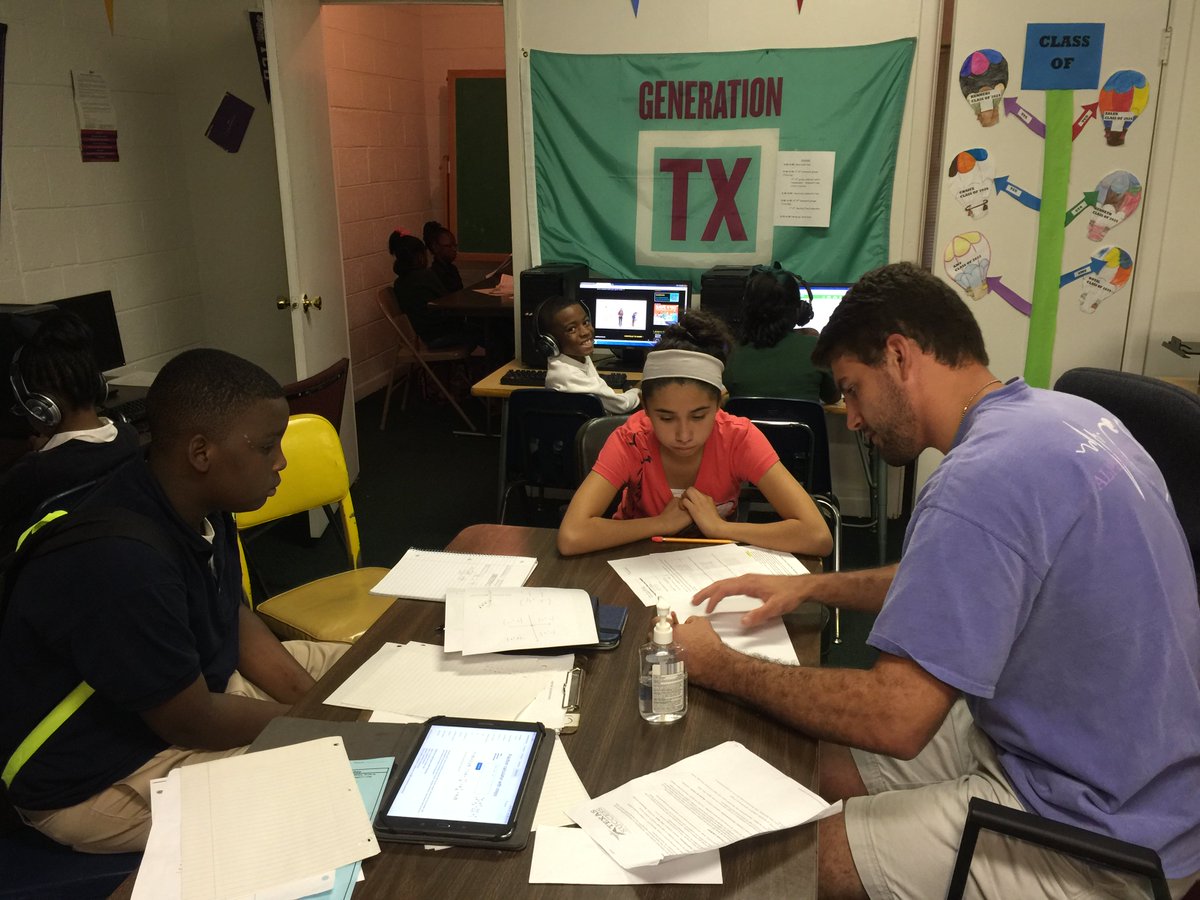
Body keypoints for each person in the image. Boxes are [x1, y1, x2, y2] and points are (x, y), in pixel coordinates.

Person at [677, 262, 1200, 899]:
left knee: (772, 861)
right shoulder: (1064, 417)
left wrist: (718, 664)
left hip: (1104, 835)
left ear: (898, 356)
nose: (851, 418)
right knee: (819, 762)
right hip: (1123, 766)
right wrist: (812, 587)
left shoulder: (977, 478)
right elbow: (961, 575)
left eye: (853, 389)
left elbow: (897, 719)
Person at [0, 348, 347, 853]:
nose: (281, 462)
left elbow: (228, 610)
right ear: (201, 452)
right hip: (99, 771)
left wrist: (309, 698)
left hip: (193, 687)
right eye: (268, 446)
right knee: (332, 784)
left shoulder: (200, 499)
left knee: (373, 672)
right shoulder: (124, 562)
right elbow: (193, 721)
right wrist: (323, 723)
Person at [557, 309, 832, 557]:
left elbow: (817, 536)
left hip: (713, 567)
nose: (684, 434)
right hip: (636, 564)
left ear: (718, 405)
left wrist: (719, 527)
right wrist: (661, 523)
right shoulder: (632, 440)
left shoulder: (738, 438)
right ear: (646, 409)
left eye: (699, 416)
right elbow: (572, 536)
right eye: (666, 417)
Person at [0, 310, 141, 551]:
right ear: (97, 384)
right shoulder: (129, 437)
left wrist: (38, 456)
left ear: (40, 406)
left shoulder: (34, 471)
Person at [722, 264, 840, 404]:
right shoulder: (814, 349)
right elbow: (833, 397)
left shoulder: (732, 354)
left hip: (747, 427)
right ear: (798, 311)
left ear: (747, 311)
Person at [539, 295, 640, 415]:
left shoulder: (579, 357)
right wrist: (637, 390)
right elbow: (621, 405)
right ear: (551, 341)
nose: (585, 332)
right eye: (571, 329)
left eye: (586, 322)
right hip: (590, 432)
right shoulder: (566, 374)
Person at [388, 230, 477, 350]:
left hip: (426, 336)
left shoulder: (399, 283)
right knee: (491, 332)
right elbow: (448, 301)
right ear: (419, 256)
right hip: (443, 335)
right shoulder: (425, 276)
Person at [423, 220, 463, 295]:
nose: (454, 249)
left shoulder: (452, 269)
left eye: (455, 245)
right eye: (449, 246)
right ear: (435, 247)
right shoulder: (434, 275)